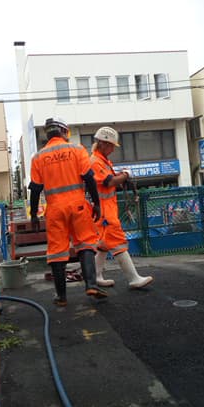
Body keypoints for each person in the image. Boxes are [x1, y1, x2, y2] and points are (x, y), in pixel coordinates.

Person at [29, 117, 108, 306]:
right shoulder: (77, 149)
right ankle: (91, 285)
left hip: (55, 210)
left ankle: (61, 297)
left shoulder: (38, 157)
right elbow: (89, 178)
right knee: (85, 243)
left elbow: (36, 189)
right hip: (78, 206)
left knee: (57, 251)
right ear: (64, 132)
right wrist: (96, 203)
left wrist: (33, 215)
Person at [90, 126, 153, 289]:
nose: (112, 149)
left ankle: (95, 276)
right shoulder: (96, 162)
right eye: (111, 146)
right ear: (103, 143)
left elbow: (109, 181)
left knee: (103, 245)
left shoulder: (102, 161)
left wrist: (122, 176)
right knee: (118, 242)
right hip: (105, 213)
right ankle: (133, 278)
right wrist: (125, 175)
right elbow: (109, 182)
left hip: (105, 210)